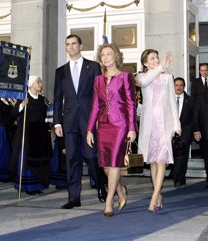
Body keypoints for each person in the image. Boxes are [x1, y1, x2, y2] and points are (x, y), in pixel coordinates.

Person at [53, 34, 107, 209]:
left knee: (92, 157)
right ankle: (73, 198)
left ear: (81, 46)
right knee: (72, 159)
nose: (71, 47)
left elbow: (100, 95)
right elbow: (57, 98)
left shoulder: (93, 67)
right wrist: (57, 122)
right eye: (67, 44)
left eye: (74, 43)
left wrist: (99, 118)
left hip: (89, 120)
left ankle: (101, 187)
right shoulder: (60, 71)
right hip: (69, 122)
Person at [86, 43, 137, 217]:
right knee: (106, 167)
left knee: (114, 163)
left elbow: (131, 104)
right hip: (104, 125)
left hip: (121, 124)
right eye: (103, 55)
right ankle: (121, 189)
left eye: (109, 54)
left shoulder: (125, 77)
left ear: (116, 56)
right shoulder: (98, 80)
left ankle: (109, 201)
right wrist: (90, 129)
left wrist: (132, 127)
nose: (105, 57)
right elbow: (95, 106)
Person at [135, 49, 181, 213]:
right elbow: (146, 81)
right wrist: (160, 67)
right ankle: (158, 194)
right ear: (145, 63)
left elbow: (171, 102)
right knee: (153, 162)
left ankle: (154, 197)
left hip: (165, 123)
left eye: (157, 57)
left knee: (161, 159)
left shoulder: (168, 77)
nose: (156, 60)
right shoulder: (140, 76)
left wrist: (177, 125)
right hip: (149, 124)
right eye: (152, 58)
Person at [10, 76, 52, 195]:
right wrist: (22, 105)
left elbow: (46, 114)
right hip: (27, 133)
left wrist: (49, 121)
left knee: (39, 161)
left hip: (40, 133)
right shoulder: (24, 97)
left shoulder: (42, 99)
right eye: (38, 82)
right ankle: (29, 187)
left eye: (41, 82)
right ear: (31, 84)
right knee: (28, 160)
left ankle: (38, 185)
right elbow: (13, 113)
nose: (40, 84)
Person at [170, 77, 195, 188]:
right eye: (176, 85)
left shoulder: (190, 100)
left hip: (185, 132)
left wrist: (193, 132)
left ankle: (179, 178)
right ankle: (177, 176)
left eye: (181, 85)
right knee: (174, 156)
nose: (179, 87)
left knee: (183, 156)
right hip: (170, 132)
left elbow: (194, 117)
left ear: (184, 86)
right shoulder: (168, 99)